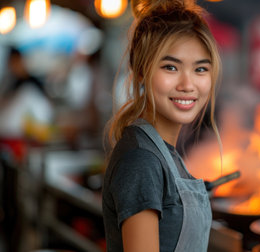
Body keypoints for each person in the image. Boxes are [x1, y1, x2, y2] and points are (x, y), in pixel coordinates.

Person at [101, 0, 222, 251]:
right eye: (170, 67)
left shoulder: (163, 152)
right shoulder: (141, 160)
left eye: (200, 69)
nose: (187, 84)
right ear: (142, 72)